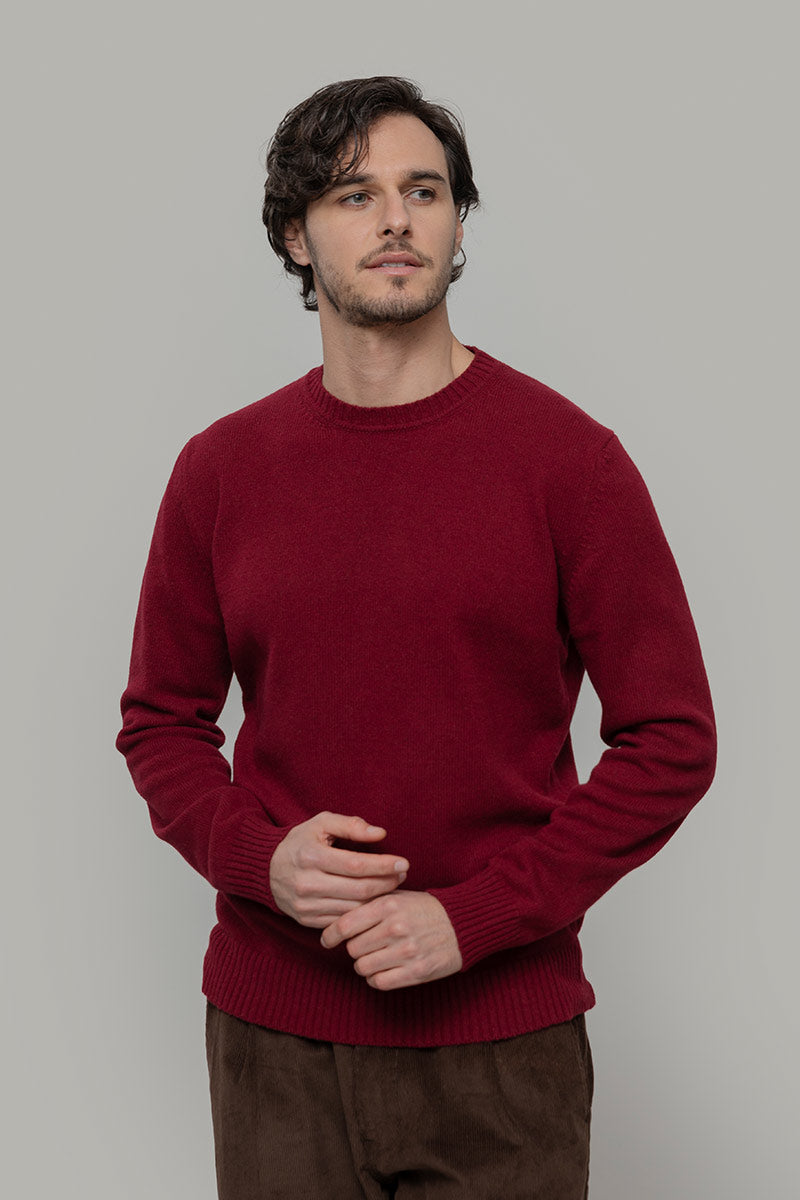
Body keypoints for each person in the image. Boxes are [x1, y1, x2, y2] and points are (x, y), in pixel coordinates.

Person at [116, 76, 716, 1199]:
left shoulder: (569, 462)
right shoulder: (221, 470)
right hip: (274, 1046)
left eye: (423, 190)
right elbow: (160, 722)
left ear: (455, 222)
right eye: (355, 195)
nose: (395, 218)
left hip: (503, 1048)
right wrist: (259, 860)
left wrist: (475, 917)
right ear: (295, 237)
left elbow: (671, 740)